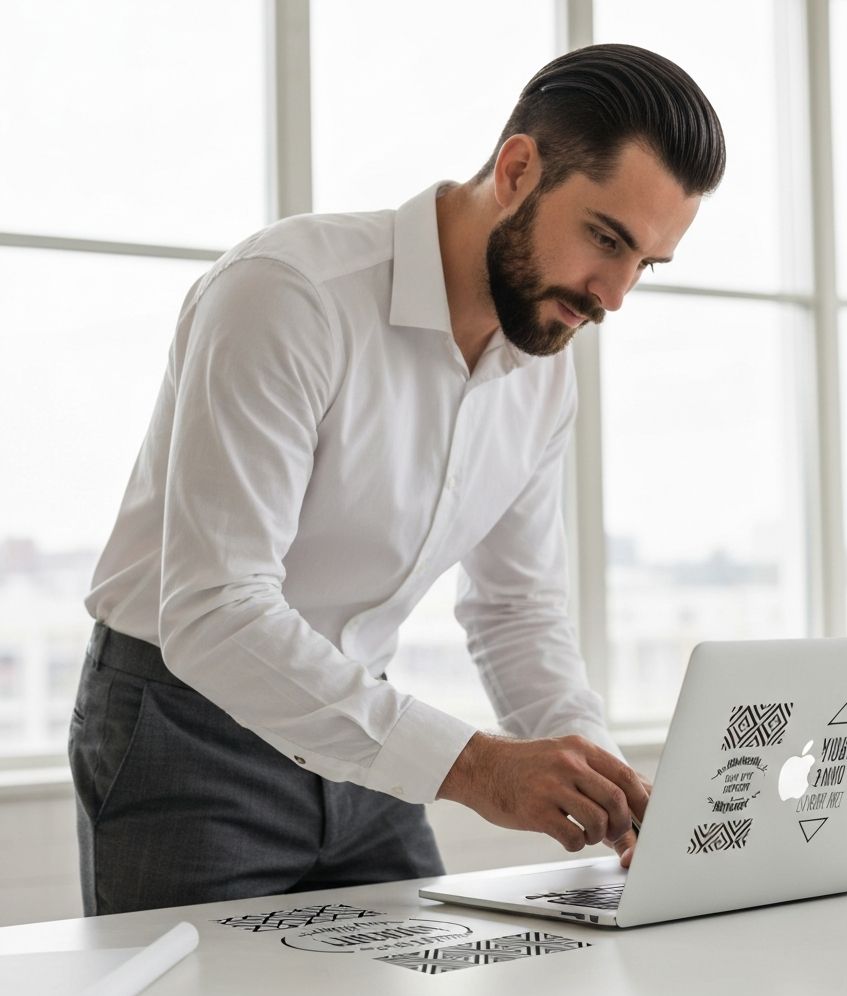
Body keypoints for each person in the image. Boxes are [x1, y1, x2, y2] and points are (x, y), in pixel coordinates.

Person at [69, 42, 726, 915]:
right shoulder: (290, 294)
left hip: (363, 728)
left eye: (645, 263)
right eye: (605, 239)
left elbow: (515, 609)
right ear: (518, 170)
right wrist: (477, 767)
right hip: (186, 727)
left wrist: (601, 785)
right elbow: (214, 609)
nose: (613, 295)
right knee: (195, 992)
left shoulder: (542, 371)